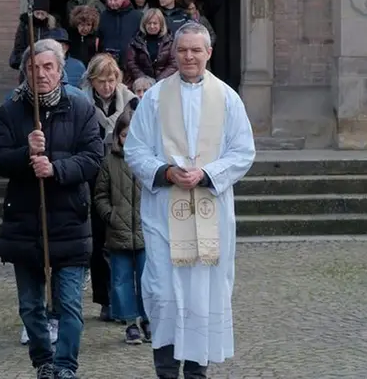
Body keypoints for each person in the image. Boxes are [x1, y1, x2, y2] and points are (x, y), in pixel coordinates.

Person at [124, 22, 256, 379]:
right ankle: (165, 372)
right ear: (174, 53)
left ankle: (197, 373)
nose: (189, 57)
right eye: (183, 50)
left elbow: (243, 151)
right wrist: (166, 173)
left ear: (208, 53)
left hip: (211, 217)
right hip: (164, 216)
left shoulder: (228, 98)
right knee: (164, 295)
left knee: (203, 299)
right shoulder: (153, 98)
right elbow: (134, 149)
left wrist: (207, 174)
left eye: (196, 50)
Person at [0, 38, 104, 379]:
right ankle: (44, 361)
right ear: (24, 71)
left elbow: (93, 157)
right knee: (31, 306)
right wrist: (26, 152)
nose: (41, 74)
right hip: (25, 221)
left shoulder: (80, 107)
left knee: (68, 304)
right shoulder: (11, 110)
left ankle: (66, 367)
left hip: (68, 220)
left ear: (60, 71)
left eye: (48, 67)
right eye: (33, 68)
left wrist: (56, 168)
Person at [79, 53, 137, 322]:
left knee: (123, 241)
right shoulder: (80, 102)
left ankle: (127, 301)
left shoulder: (131, 102)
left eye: (112, 80)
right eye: (101, 81)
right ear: (92, 81)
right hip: (92, 174)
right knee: (99, 237)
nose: (107, 86)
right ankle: (105, 299)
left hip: (122, 175)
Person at [93, 110, 150, 345]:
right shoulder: (110, 162)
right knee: (121, 280)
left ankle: (149, 319)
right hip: (118, 232)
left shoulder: (150, 160)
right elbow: (100, 195)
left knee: (148, 279)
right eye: (125, 134)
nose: (130, 139)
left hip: (146, 231)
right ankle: (130, 323)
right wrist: (112, 216)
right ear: (118, 136)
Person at [124, 8, 178, 86]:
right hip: (141, 84)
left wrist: (158, 81)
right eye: (149, 23)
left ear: (161, 24)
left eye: (155, 23)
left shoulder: (170, 41)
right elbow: (131, 63)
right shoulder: (135, 41)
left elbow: (174, 64)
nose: (152, 26)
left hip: (164, 83)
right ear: (144, 24)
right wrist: (144, 80)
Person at [9, 0, 57, 69]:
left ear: (47, 14)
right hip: (28, 62)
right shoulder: (25, 24)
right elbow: (19, 46)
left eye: (42, 14)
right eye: (37, 13)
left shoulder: (52, 26)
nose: (39, 17)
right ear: (33, 12)